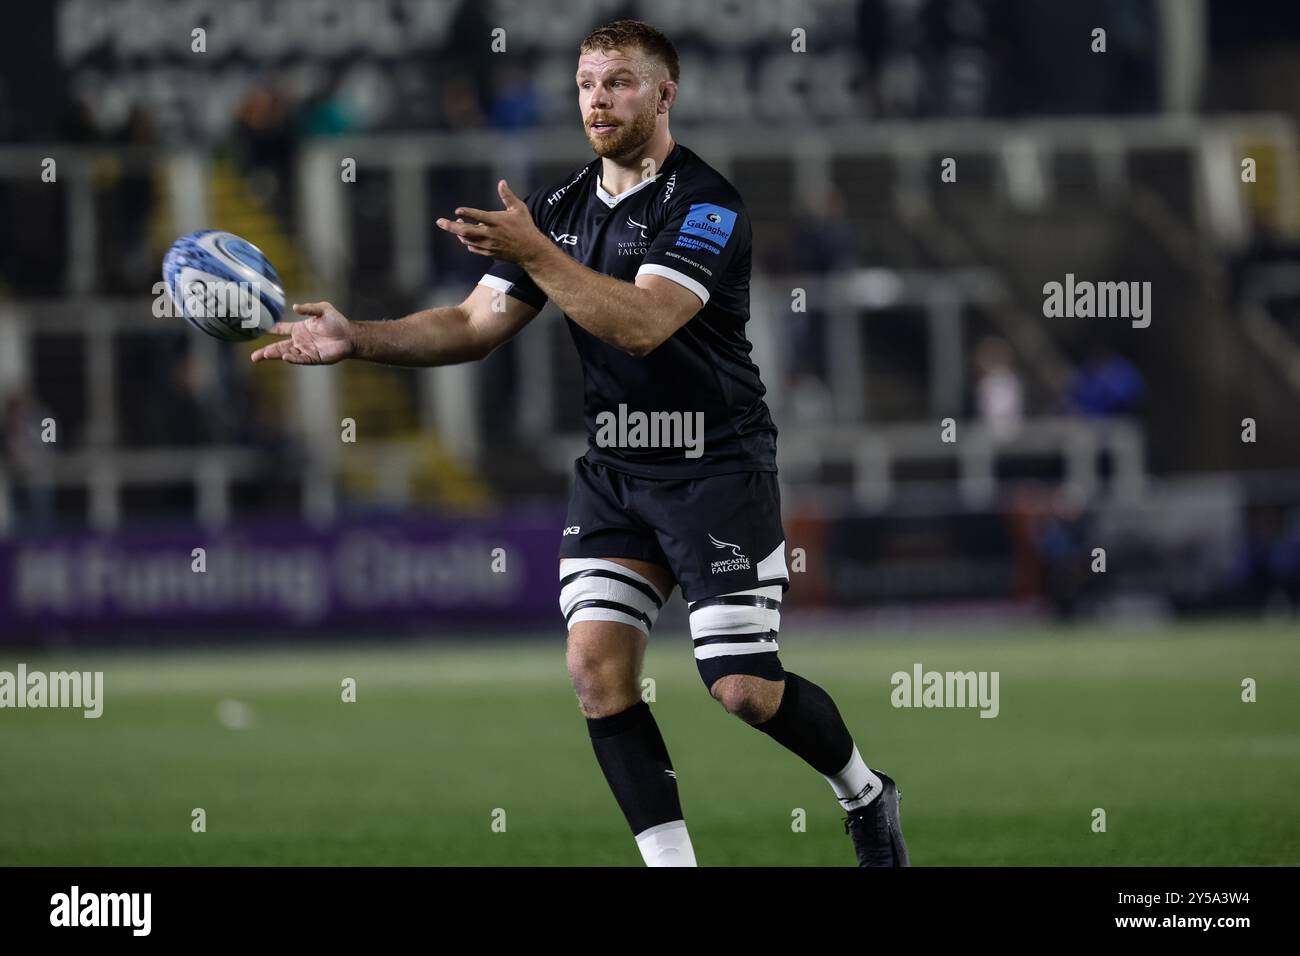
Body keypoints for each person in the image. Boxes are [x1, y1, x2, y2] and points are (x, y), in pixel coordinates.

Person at [250, 19, 908, 868]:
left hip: (716, 466)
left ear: (664, 93)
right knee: (596, 670)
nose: (598, 98)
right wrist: (356, 338)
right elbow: (470, 323)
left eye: (619, 81)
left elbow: (642, 325)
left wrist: (536, 252)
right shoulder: (557, 208)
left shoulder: (706, 203)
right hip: (617, 469)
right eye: (587, 82)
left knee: (742, 689)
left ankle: (864, 793)